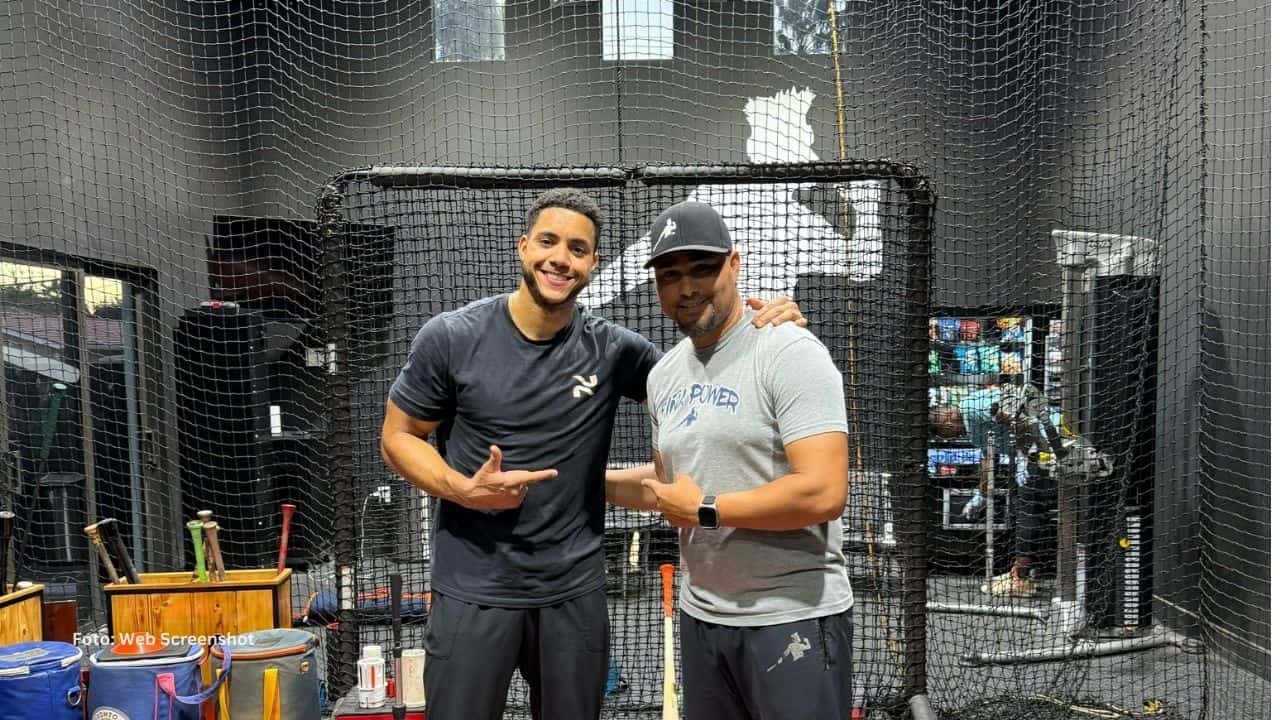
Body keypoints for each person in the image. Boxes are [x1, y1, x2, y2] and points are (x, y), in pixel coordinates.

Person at [379, 188, 806, 720]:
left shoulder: (616, 349)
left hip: (573, 592)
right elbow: (398, 436)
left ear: (592, 265)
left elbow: (703, 368)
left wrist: (764, 328)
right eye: (548, 242)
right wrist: (462, 488)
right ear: (523, 247)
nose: (560, 258)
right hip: (473, 587)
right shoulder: (451, 337)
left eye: (578, 249)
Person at [609, 200, 854, 720]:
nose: (688, 287)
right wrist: (580, 482)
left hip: (792, 617)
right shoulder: (663, 376)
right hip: (704, 620)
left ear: (735, 266)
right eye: (671, 275)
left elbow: (825, 491)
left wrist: (708, 510)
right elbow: (667, 481)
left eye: (703, 269)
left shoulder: (788, 351)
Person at [930, 387, 1039, 597]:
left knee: (1027, 508)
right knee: (1020, 507)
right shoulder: (972, 423)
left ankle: (1020, 578)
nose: (953, 437)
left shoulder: (971, 409)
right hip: (1031, 451)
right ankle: (1021, 573)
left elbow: (1011, 413)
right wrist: (981, 495)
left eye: (947, 434)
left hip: (1041, 448)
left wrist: (1027, 453)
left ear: (948, 422)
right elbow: (988, 457)